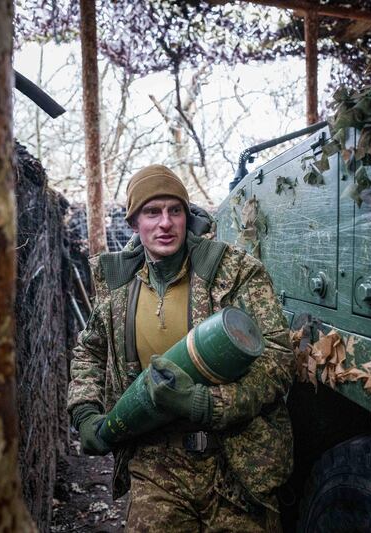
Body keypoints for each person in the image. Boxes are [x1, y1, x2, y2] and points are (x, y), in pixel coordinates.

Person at [67, 164, 295, 531]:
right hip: (154, 462)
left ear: (187, 218)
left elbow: (279, 359)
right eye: (152, 212)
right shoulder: (118, 286)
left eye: (175, 211)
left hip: (236, 462)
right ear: (134, 222)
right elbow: (90, 351)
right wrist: (84, 411)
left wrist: (206, 404)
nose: (165, 223)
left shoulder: (233, 271)